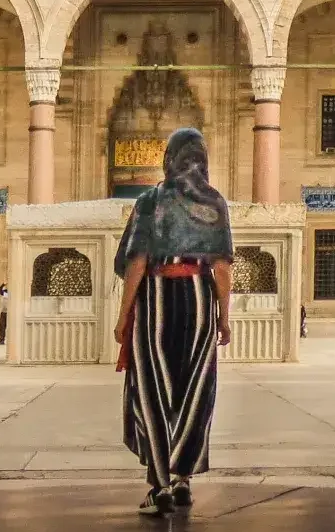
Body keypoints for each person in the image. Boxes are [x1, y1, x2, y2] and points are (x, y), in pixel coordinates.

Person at [112, 127, 233, 518]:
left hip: (157, 300)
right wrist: (224, 318)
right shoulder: (215, 203)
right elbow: (221, 267)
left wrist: (124, 314)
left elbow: (137, 263)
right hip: (199, 299)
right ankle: (184, 480)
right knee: (195, 388)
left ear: (169, 157)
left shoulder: (151, 201)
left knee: (153, 389)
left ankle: (160, 485)